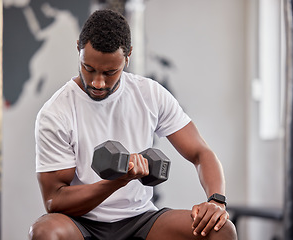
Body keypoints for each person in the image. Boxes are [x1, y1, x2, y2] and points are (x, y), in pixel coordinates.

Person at [29, 9, 237, 240]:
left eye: (110, 72)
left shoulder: (149, 94)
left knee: (221, 230)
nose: (98, 82)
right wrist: (116, 182)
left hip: (140, 219)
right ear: (78, 48)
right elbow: (54, 200)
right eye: (89, 69)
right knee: (45, 232)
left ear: (128, 57)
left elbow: (200, 152)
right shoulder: (56, 113)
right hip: (81, 222)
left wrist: (216, 201)